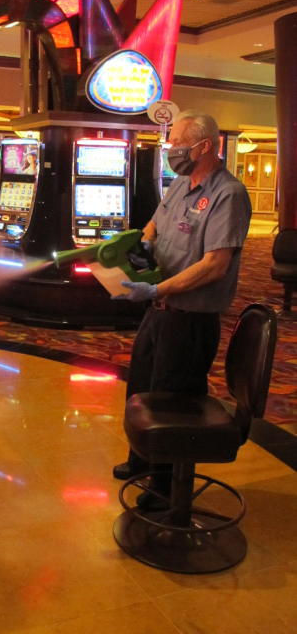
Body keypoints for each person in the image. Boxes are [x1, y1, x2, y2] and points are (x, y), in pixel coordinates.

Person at [112, 110, 252, 511]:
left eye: (177, 143)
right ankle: (141, 458)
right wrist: (135, 252)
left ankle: (164, 488)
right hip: (159, 310)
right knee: (141, 387)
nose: (171, 150)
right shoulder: (177, 185)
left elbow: (214, 265)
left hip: (191, 319)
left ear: (204, 146)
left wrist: (156, 287)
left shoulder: (229, 194)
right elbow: (152, 228)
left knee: (171, 400)